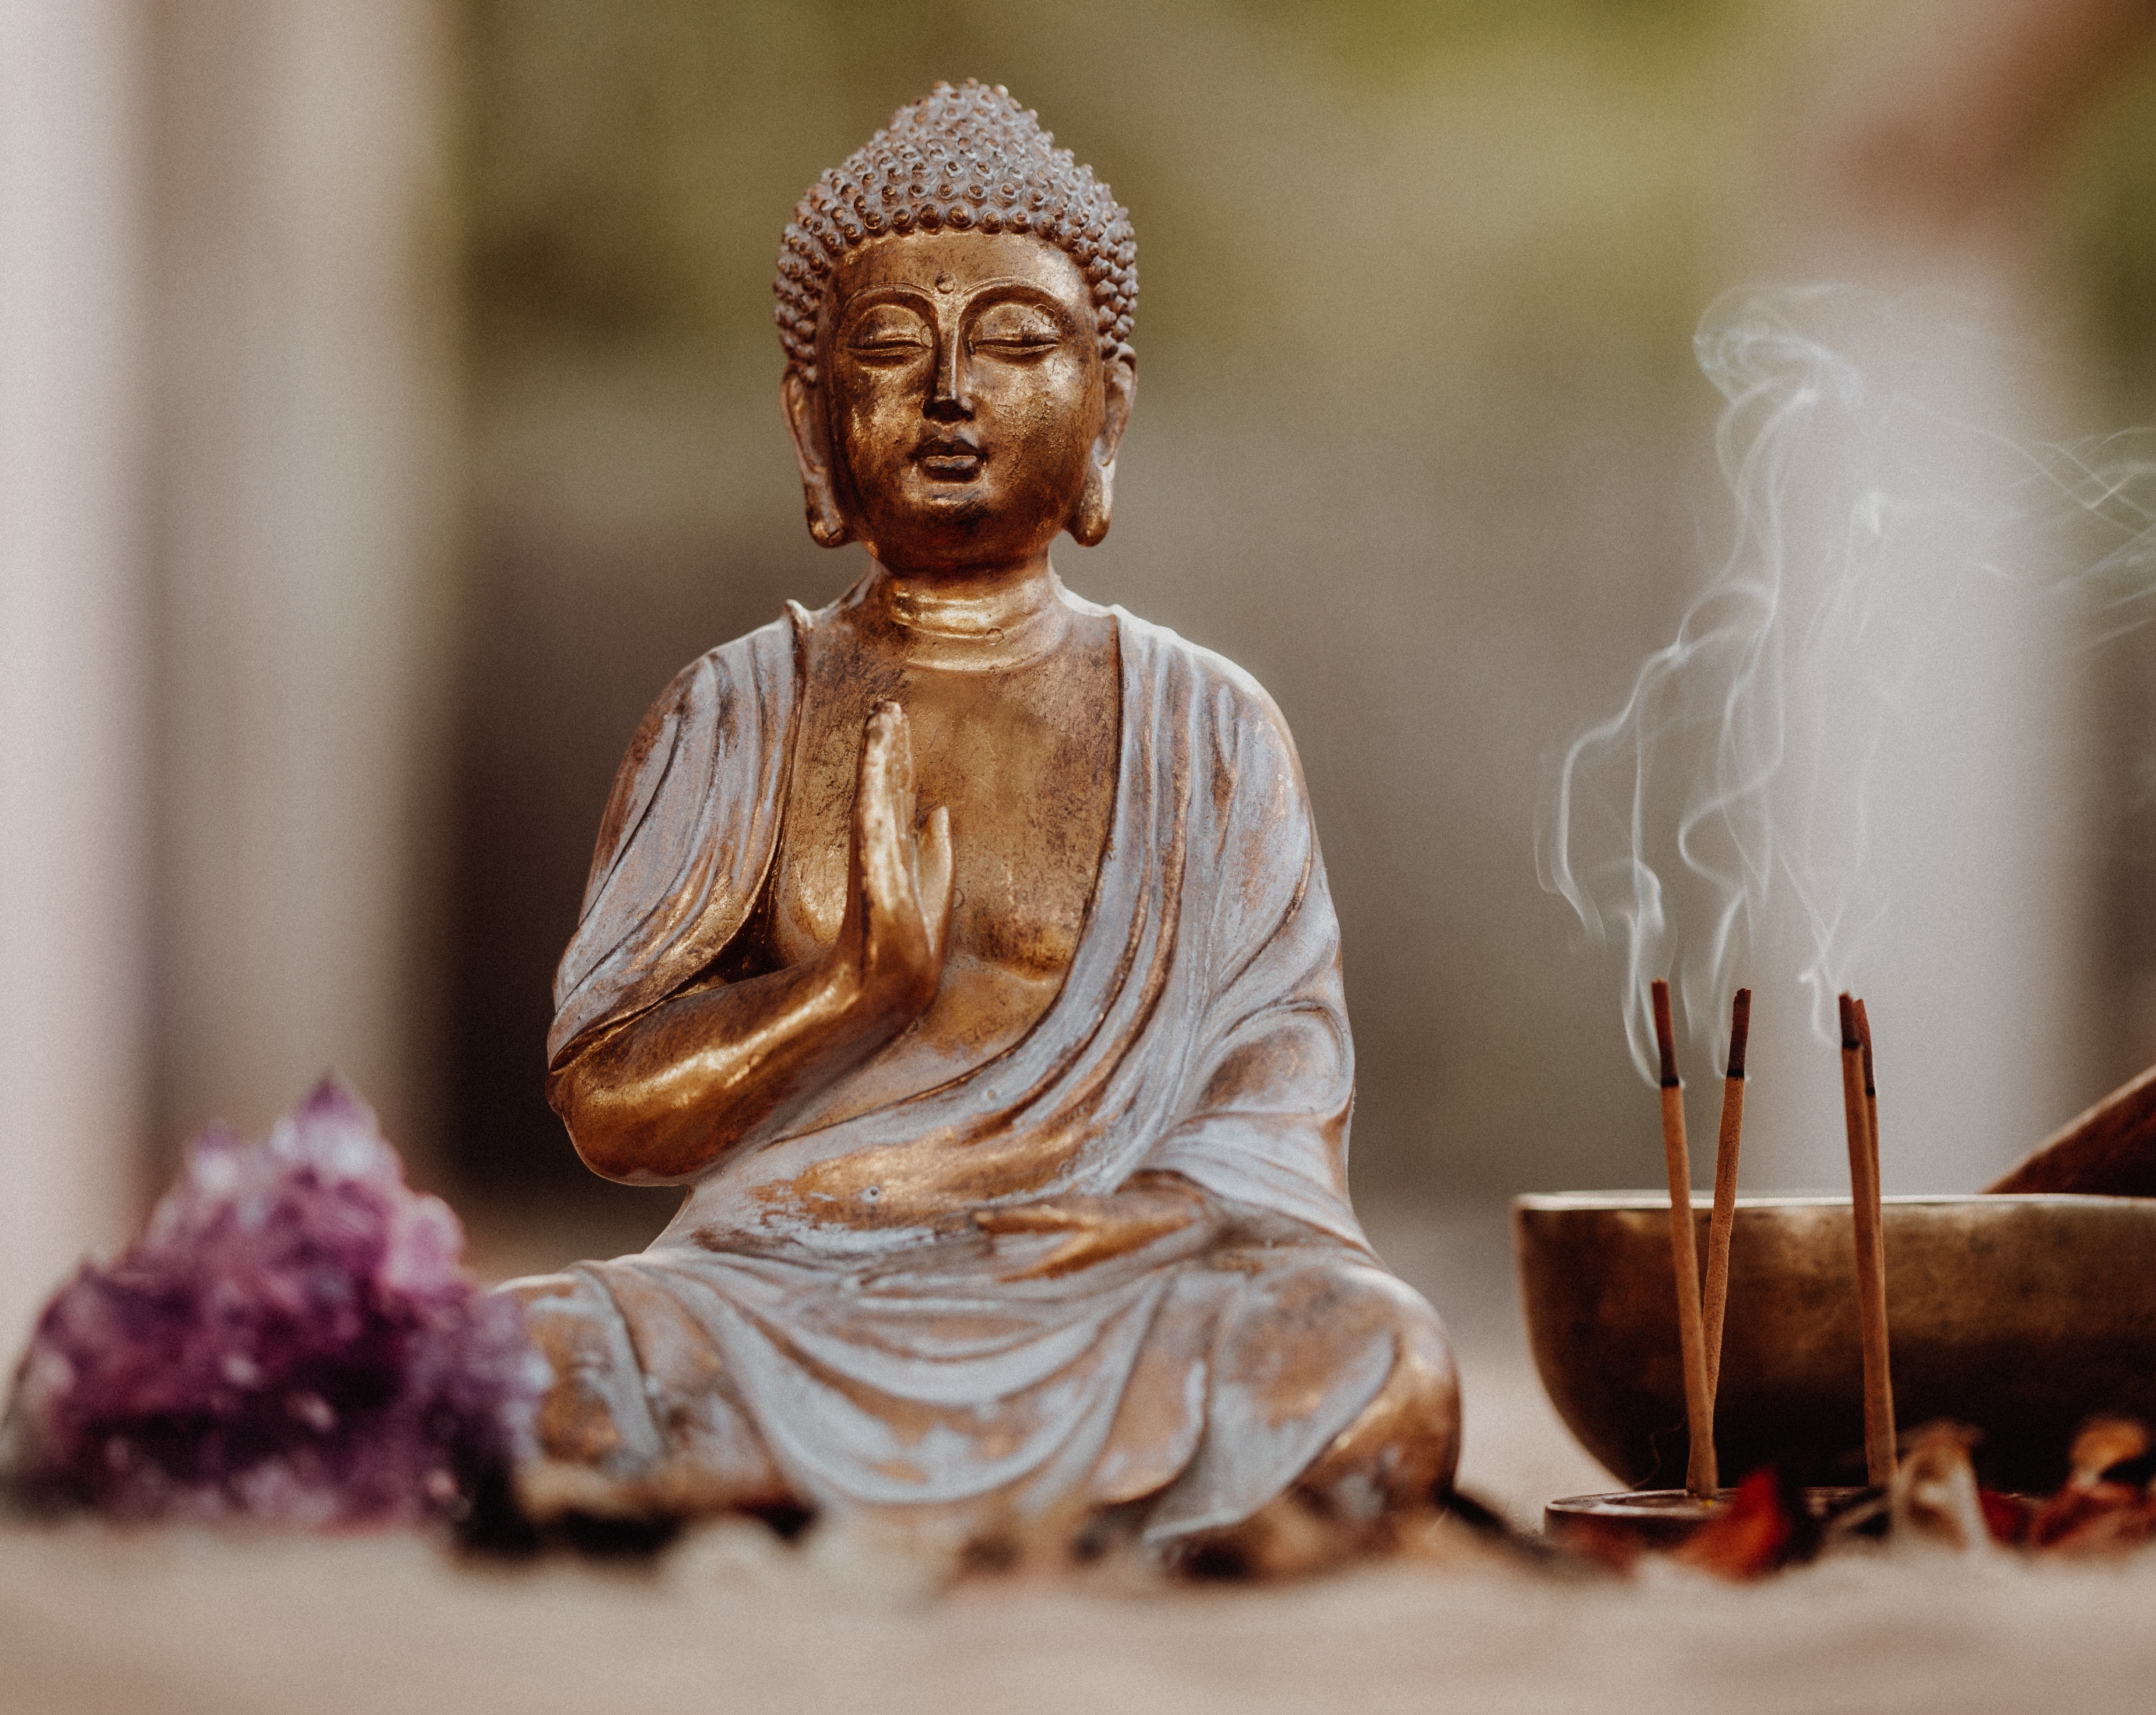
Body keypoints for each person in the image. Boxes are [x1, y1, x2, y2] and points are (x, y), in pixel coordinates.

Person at [503, 83, 1457, 1568]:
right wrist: (841, 995)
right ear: (813, 421)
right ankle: (1032, 1509)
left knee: (1377, 1361)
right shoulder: (736, 711)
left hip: (1095, 1284)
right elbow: (609, 1104)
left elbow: (1277, 1082)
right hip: (780, 1288)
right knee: (513, 1359)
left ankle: (794, 1502)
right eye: (891, 347)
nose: (950, 390)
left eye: (1015, 341)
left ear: (1107, 410)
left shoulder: (1207, 725)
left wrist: (1163, 1208)